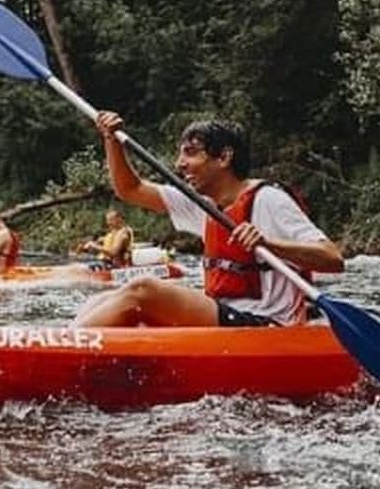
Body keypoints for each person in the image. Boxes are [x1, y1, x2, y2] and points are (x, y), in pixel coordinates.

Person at [72, 112, 344, 328]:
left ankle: (64, 347)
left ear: (224, 157)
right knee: (101, 299)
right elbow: (129, 189)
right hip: (225, 318)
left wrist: (269, 244)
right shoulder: (204, 204)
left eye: (191, 152)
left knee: (144, 290)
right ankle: (67, 343)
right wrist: (111, 140)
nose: (179, 163)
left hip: (265, 324)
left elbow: (333, 259)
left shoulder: (269, 199)